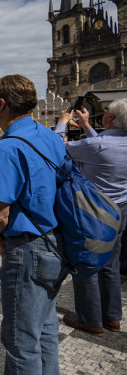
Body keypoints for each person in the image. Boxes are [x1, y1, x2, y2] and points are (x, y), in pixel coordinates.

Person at [0, 75, 67, 374]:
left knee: (21, 342)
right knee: (46, 331)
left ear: (2, 104)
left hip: (27, 249)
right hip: (56, 243)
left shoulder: (5, 149)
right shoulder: (50, 137)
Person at [56, 98, 127, 335]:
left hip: (94, 210)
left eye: (106, 111)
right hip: (121, 210)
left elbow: (57, 148)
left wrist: (63, 122)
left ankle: (91, 319)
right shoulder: (105, 144)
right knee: (111, 262)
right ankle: (112, 317)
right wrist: (86, 125)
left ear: (110, 118)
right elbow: (101, 145)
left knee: (86, 260)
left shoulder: (98, 146)